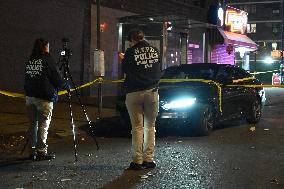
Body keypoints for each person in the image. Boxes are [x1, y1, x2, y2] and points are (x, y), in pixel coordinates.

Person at [122, 29, 162, 170]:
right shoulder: (155, 51)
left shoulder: (130, 52)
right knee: (150, 127)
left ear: (132, 40)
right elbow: (158, 69)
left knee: (137, 127)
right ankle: (149, 159)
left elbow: (125, 70)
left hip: (134, 93)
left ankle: (137, 161)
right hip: (152, 92)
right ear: (143, 37)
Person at [24, 38, 68, 161]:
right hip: (43, 98)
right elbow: (56, 76)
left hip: (30, 97)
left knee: (33, 125)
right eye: (48, 46)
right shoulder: (47, 59)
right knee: (43, 125)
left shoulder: (31, 60)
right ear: (45, 47)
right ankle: (41, 151)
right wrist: (65, 85)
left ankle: (31, 152)